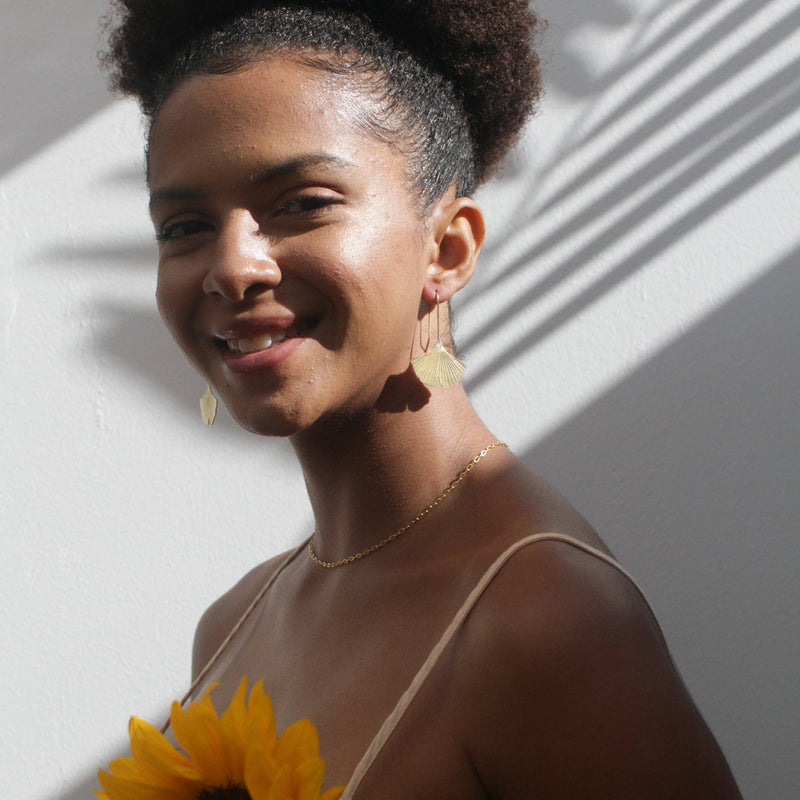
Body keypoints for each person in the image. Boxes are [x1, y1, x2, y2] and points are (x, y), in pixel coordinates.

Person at [103, 1, 743, 797]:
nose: (233, 268)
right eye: (185, 224)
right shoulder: (233, 625)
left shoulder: (543, 619)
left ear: (447, 247)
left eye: (302, 202)